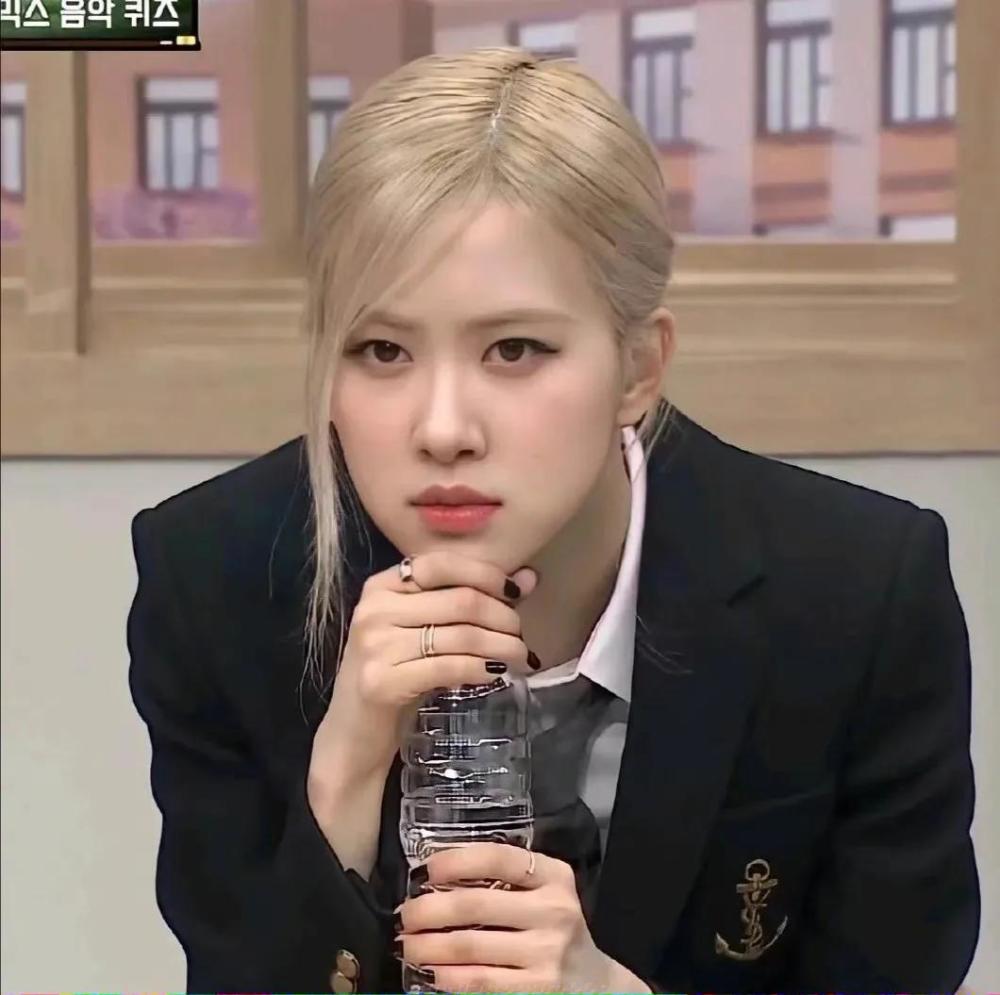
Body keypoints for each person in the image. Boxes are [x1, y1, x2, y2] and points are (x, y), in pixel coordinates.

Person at [126, 47, 979, 994]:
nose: (442, 430)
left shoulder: (856, 597)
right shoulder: (218, 581)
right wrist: (345, 775)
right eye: (381, 350)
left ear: (639, 367)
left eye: (514, 349)